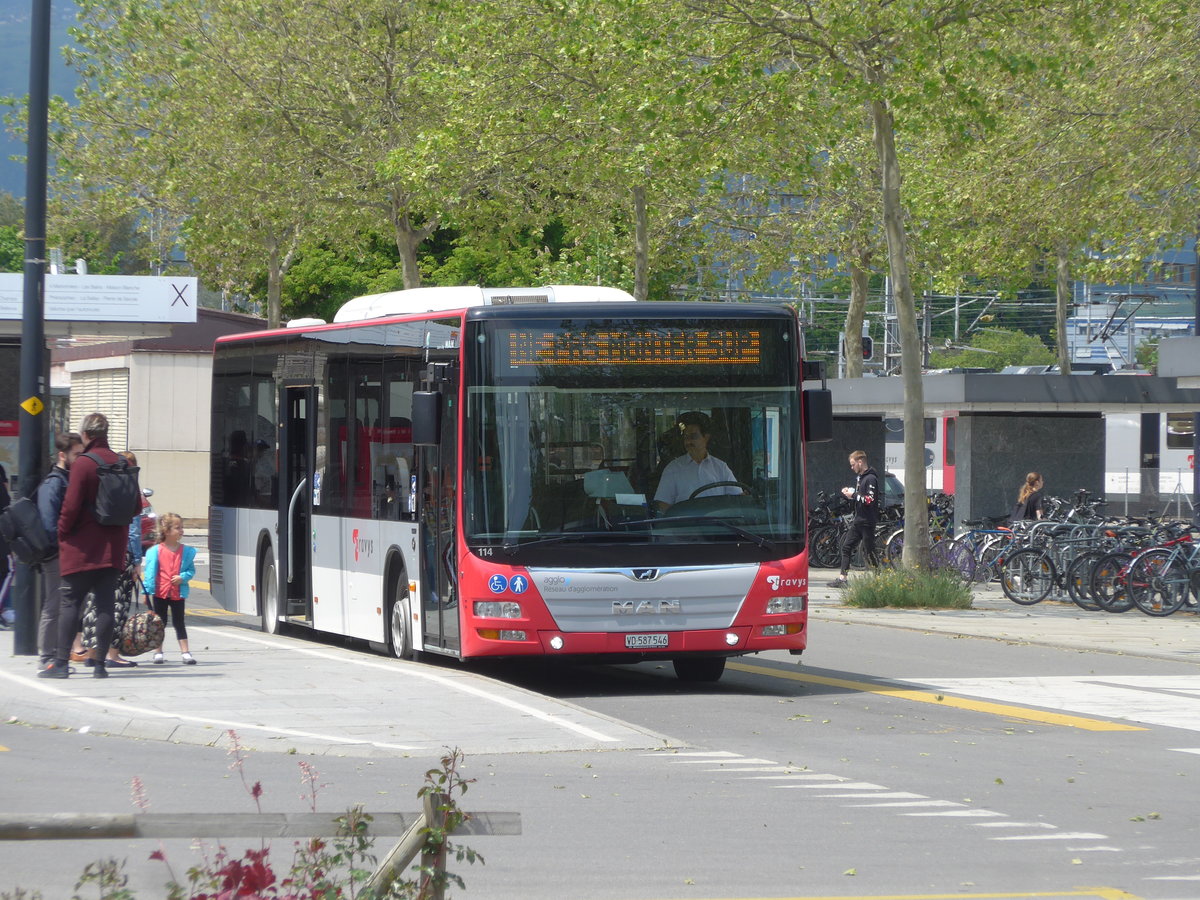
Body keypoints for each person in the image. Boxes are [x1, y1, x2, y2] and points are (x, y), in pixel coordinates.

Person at [40, 413, 130, 679]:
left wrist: (63, 534)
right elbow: (135, 506)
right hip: (113, 548)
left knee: (70, 603)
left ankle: (59, 664)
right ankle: (100, 665)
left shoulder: (83, 464)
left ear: (86, 435)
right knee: (105, 606)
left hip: (81, 549)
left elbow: (70, 507)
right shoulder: (123, 462)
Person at [35, 432, 84, 670]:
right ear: (63, 455)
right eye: (77, 454)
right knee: (53, 605)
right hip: (57, 555)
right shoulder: (54, 483)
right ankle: (46, 658)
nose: (81, 458)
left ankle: (55, 655)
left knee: (65, 605)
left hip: (68, 553)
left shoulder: (70, 480)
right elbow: (49, 524)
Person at [653, 412, 741, 511]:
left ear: (706, 438)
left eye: (693, 437)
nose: (688, 442)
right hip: (686, 525)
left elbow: (737, 499)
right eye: (686, 437)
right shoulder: (673, 469)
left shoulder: (721, 467)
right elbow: (664, 505)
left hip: (718, 524)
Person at [143, 512, 198, 665]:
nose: (181, 530)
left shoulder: (186, 551)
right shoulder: (155, 551)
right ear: (166, 531)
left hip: (177, 593)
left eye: (182, 527)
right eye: (177, 528)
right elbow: (149, 573)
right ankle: (158, 652)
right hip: (160, 592)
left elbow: (191, 570)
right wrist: (146, 592)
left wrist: (183, 577)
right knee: (159, 622)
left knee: (179, 621)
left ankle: (185, 652)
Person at [829, 450, 880, 588]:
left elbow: (869, 499)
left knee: (869, 550)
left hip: (867, 521)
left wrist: (853, 494)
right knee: (846, 547)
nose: (852, 468)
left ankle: (878, 578)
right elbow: (860, 496)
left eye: (853, 464)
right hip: (859, 520)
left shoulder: (870, 479)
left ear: (860, 462)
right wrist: (850, 494)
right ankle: (843, 579)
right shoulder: (860, 478)